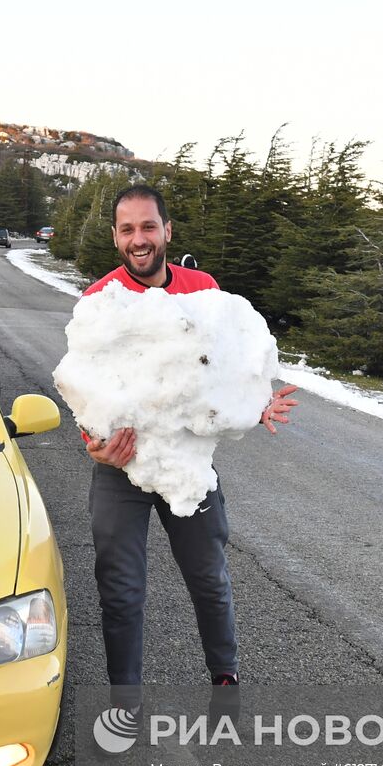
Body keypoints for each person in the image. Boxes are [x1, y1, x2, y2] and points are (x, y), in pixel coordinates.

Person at [83, 185, 298, 706]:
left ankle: (225, 678)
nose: (140, 239)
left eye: (149, 227)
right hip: (123, 468)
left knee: (208, 576)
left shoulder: (202, 289)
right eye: (128, 229)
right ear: (115, 236)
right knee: (122, 590)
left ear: (167, 231)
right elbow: (87, 389)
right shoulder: (99, 300)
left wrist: (254, 403)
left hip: (187, 464)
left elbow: (223, 366)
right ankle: (125, 703)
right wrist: (94, 446)